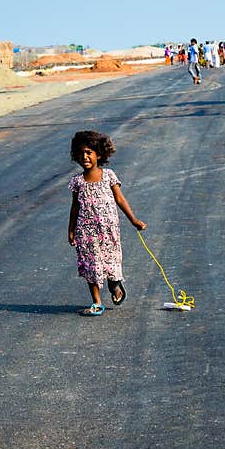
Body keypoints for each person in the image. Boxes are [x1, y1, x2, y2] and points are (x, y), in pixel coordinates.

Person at [68, 130, 146, 316]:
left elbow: (120, 199)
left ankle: (115, 285)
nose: (84, 156)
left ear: (99, 154)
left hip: (108, 230)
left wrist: (134, 220)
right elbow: (75, 207)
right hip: (85, 232)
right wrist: (71, 230)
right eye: (80, 153)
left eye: (88, 152)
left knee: (111, 262)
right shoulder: (77, 182)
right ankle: (97, 302)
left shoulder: (109, 176)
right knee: (90, 265)